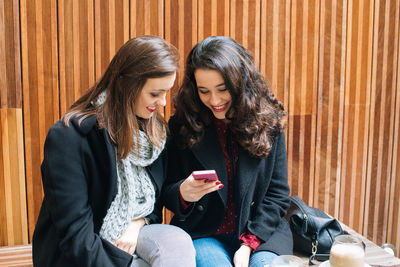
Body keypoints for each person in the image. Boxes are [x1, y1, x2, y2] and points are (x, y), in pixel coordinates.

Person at [32, 36, 196, 267]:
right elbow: (76, 237)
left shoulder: (154, 134)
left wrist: (138, 223)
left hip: (133, 240)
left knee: (177, 242)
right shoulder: (70, 137)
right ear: (126, 85)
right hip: (83, 254)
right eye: (154, 94)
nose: (162, 103)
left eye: (166, 92)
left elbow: (153, 208)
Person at [163, 36, 293, 267]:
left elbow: (277, 194)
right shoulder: (182, 124)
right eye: (204, 91)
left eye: (223, 89)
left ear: (240, 82)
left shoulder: (267, 121)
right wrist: (184, 194)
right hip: (205, 233)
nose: (214, 100)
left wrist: (248, 244)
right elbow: (167, 189)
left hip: (262, 233)